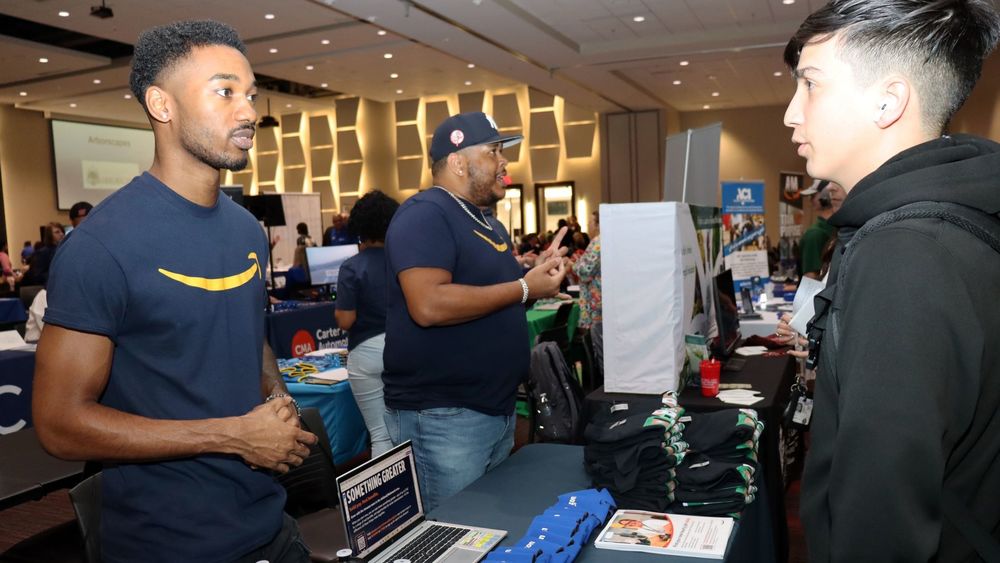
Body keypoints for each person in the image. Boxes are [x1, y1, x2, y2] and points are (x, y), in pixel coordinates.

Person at [32, 20, 317, 563]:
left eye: (250, 94)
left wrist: (276, 399)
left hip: (270, 524)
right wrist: (234, 436)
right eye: (225, 92)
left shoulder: (244, 229)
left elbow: (245, 334)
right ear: (162, 105)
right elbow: (59, 424)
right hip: (167, 543)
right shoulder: (101, 247)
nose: (249, 111)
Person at [783, 2, 1000, 561]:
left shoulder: (904, 253)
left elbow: (883, 515)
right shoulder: (944, 221)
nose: (790, 113)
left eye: (810, 85)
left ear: (889, 100)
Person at [383, 111, 566, 511]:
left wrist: (535, 279)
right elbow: (428, 305)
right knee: (452, 537)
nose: (504, 162)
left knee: (484, 532)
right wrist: (523, 287)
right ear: (458, 161)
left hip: (492, 410)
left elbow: (495, 297)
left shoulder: (487, 223)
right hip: (443, 417)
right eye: (494, 151)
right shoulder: (425, 214)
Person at [335, 190, 399, 457]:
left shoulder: (352, 267)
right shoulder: (405, 262)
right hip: (404, 349)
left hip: (365, 353)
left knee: (380, 436)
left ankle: (388, 497)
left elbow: (346, 319)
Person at [798, 180, 845, 279]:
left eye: (813, 196)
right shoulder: (816, 233)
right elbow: (810, 277)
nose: (810, 200)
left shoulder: (816, 234)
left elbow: (811, 276)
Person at [19, 222, 64, 287]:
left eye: (62, 231)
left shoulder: (63, 250)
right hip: (49, 287)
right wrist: (58, 276)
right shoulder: (43, 252)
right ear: (49, 235)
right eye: (57, 232)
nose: (62, 234)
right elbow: (38, 275)